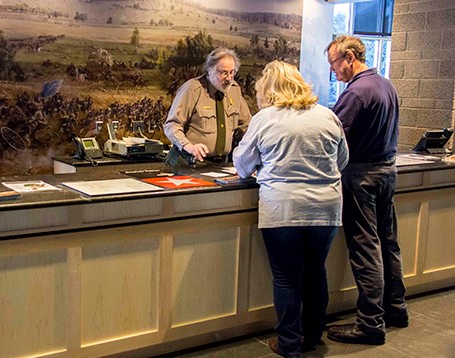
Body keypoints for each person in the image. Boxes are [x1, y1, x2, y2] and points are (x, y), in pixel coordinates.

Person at [233, 60, 349, 358]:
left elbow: (243, 165)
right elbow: (343, 160)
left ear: (268, 89)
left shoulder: (266, 118)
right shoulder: (327, 116)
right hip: (325, 209)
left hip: (282, 208)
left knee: (286, 278)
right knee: (315, 273)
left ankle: (288, 344)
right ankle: (311, 337)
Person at [325, 35, 409, 346]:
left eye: (334, 63)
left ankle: (371, 323)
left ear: (348, 57)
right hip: (388, 171)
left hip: (360, 176)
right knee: (388, 243)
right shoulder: (386, 85)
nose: (334, 71)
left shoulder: (355, 93)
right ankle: (395, 309)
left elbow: (335, 140)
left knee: (365, 248)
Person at [163, 47, 251, 170]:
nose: (229, 78)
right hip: (187, 163)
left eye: (232, 72)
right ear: (209, 70)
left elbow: (246, 125)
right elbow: (172, 125)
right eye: (223, 73)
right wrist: (189, 146)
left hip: (220, 165)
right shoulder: (193, 89)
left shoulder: (234, 90)